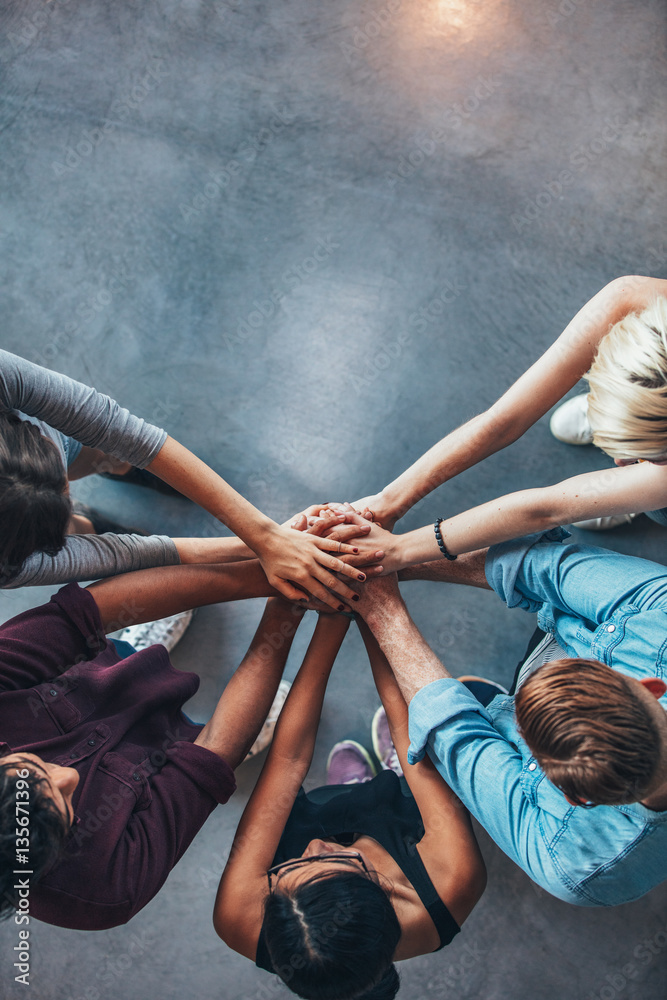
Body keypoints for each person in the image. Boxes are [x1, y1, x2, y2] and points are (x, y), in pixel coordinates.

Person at [0, 532, 363, 929]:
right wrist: (285, 608)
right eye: (68, 807)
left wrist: (275, 573)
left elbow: (88, 614)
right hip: (169, 759)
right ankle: (233, 729)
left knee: (123, 637)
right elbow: (215, 752)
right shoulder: (105, 888)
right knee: (216, 753)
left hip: (94, 675)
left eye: (34, 769)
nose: (69, 775)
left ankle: (132, 653)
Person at [350, 531, 667, 907]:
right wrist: (394, 558)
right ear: (650, 687)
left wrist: (375, 602)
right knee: (463, 702)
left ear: (575, 797)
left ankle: (484, 701)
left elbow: (460, 736)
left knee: (465, 713)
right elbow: (545, 568)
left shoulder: (575, 865)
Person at [214, 595, 486, 999]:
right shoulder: (453, 882)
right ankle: (391, 775)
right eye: (328, 860)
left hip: (320, 808)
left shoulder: (239, 915)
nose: (311, 845)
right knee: (424, 755)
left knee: (323, 797)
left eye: (286, 871)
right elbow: (403, 721)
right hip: (401, 815)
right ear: (381, 891)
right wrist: (372, 606)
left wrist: (334, 616)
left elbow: (288, 762)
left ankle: (356, 789)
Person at [332, 275, 667, 570]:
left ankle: (636, 498)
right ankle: (629, 416)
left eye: (652, 454)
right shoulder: (629, 298)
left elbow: (547, 509)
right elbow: (503, 420)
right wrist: (389, 500)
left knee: (657, 499)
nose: (621, 463)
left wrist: (400, 550)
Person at [0, 349, 373, 608]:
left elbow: (113, 426)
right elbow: (119, 556)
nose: (67, 482)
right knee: (65, 530)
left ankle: (117, 468)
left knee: (103, 452)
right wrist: (270, 541)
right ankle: (83, 523)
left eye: (60, 479)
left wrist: (267, 537)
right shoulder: (8, 564)